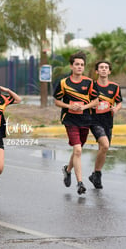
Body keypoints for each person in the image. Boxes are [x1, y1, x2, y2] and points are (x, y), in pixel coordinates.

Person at [53, 51, 99, 195]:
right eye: (77, 64)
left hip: (85, 119)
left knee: (77, 150)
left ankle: (67, 170)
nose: (79, 67)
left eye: (82, 65)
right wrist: (69, 106)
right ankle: (80, 183)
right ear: (71, 66)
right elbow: (56, 101)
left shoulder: (89, 82)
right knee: (78, 150)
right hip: (70, 120)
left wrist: (84, 107)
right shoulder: (63, 83)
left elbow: (96, 101)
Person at [89, 60, 122, 189]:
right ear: (97, 71)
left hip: (108, 121)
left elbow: (119, 102)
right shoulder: (91, 86)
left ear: (109, 71)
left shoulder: (115, 87)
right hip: (94, 120)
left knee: (103, 149)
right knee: (105, 145)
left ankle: (95, 175)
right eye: (101, 67)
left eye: (106, 67)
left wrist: (116, 109)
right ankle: (97, 174)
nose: (103, 69)